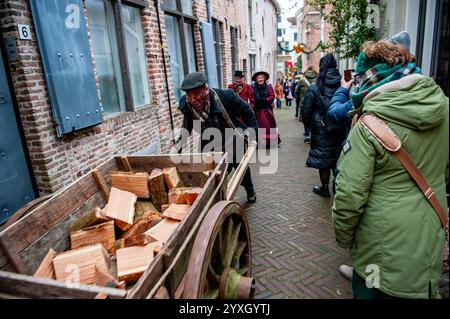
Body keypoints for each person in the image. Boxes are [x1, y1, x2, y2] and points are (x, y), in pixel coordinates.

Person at [332, 37, 449, 299]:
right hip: (429, 235)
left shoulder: (368, 125)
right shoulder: (445, 109)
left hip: (380, 249)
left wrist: (344, 238)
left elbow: (350, 196)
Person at [177, 72, 258, 203]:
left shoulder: (226, 97)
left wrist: (252, 134)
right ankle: (218, 201)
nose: (193, 99)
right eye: (189, 95)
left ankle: (250, 189)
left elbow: (248, 112)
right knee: (210, 174)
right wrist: (177, 149)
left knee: (241, 170)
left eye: (197, 93)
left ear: (206, 89)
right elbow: (186, 129)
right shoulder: (187, 105)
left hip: (231, 137)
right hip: (209, 142)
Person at [303, 54, 346, 198]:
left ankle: (324, 188)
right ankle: (338, 189)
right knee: (338, 158)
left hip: (321, 130)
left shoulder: (315, 87)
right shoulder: (343, 85)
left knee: (323, 160)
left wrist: (310, 126)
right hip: (340, 127)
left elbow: (306, 111)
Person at [250, 71, 280, 148]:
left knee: (269, 125)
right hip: (257, 110)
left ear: (264, 79)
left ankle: (271, 142)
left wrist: (266, 100)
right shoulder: (252, 87)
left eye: (262, 77)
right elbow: (251, 97)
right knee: (259, 126)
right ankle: (261, 142)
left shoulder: (269, 86)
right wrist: (255, 103)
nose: (260, 79)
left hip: (267, 110)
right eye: (258, 78)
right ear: (256, 79)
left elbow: (272, 95)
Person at [297, 66, 318, 143]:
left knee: (306, 118)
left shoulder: (302, 80)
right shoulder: (318, 79)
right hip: (316, 102)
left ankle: (307, 136)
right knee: (315, 118)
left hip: (304, 102)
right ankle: (313, 135)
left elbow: (297, 90)